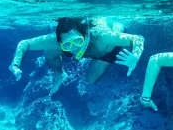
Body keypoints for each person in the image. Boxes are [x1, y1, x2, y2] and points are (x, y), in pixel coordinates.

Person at [10, 17, 144, 95]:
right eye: (67, 45)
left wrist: (135, 56)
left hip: (106, 52)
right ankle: (60, 74)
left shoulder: (102, 37)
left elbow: (137, 39)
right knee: (49, 50)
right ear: (60, 42)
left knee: (90, 80)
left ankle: (104, 63)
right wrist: (15, 64)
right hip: (86, 44)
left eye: (78, 41)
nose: (75, 48)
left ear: (85, 35)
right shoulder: (57, 40)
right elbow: (25, 43)